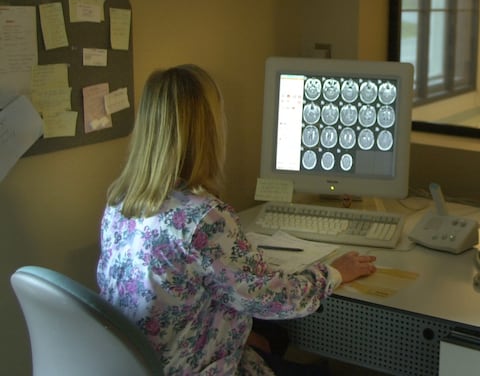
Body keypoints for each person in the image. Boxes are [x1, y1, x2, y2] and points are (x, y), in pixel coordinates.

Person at [96, 64, 377, 375]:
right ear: (208, 130)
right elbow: (274, 298)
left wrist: (238, 334)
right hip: (196, 368)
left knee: (272, 339)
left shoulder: (120, 203)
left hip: (145, 362)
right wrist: (334, 272)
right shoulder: (204, 219)